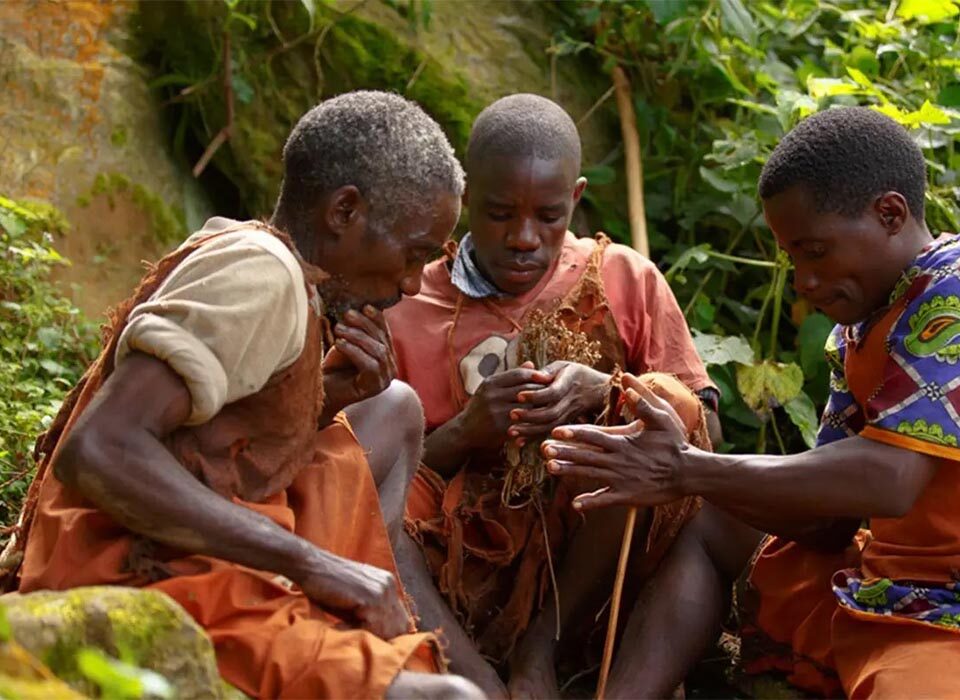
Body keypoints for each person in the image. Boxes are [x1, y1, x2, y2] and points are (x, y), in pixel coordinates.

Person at [6, 91, 484, 699]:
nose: (413, 282)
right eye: (413, 253)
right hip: (153, 578)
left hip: (191, 555)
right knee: (451, 699)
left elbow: (212, 439)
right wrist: (315, 565)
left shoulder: (273, 266)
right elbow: (100, 448)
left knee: (391, 408)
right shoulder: (260, 274)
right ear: (344, 211)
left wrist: (325, 395)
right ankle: (336, 627)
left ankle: (350, 623)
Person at [543, 106, 960, 698]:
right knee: (719, 523)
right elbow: (826, 516)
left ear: (889, 214)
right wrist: (699, 480)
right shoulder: (860, 326)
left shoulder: (951, 293)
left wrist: (690, 468)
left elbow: (890, 480)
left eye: (815, 252)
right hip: (887, 579)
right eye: (793, 259)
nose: (804, 283)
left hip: (945, 612)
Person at [386, 93, 718, 697]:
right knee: (351, 487)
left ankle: (545, 644)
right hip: (464, 559)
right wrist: (465, 432)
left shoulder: (623, 276)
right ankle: (472, 673)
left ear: (578, 198)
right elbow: (386, 470)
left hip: (594, 549)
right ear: (464, 198)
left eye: (548, 215)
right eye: (498, 214)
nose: (523, 237)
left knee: (657, 402)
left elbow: (701, 434)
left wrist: (609, 391)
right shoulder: (407, 303)